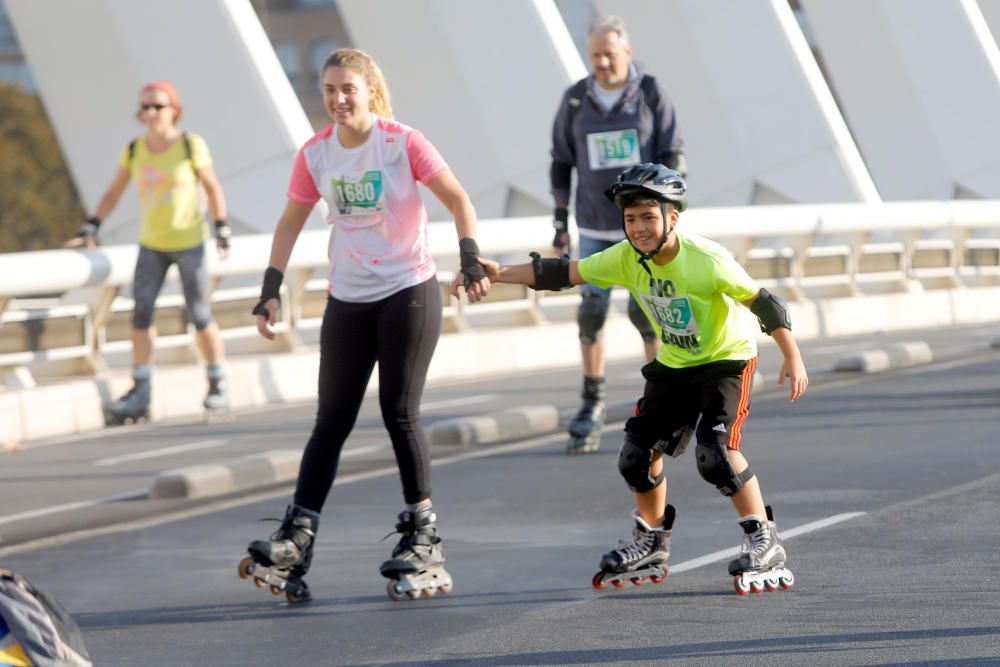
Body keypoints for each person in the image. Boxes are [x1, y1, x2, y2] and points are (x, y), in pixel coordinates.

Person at [452, 163, 808, 594]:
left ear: (672, 218)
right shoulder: (624, 259)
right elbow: (563, 273)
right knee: (636, 455)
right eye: (630, 219)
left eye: (648, 217)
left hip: (725, 361)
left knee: (715, 454)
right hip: (675, 365)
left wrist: (792, 356)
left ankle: (763, 540)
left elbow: (765, 303)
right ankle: (652, 540)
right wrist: (497, 272)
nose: (638, 228)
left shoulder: (707, 260)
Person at [241, 48, 490, 603]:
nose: (337, 99)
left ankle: (424, 536)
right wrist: (270, 289)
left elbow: (458, 200)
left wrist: (469, 257)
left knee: (398, 412)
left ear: (369, 91)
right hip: (347, 298)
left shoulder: (402, 141)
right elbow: (289, 221)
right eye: (329, 90)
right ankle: (297, 538)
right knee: (331, 419)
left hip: (408, 290)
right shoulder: (316, 153)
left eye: (347, 89)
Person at [550, 15, 687, 454]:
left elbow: (673, 155)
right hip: (593, 225)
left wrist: (669, 214)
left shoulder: (649, 94)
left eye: (610, 54)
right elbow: (560, 161)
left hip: (644, 228)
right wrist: (559, 222)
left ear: (627, 53)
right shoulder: (576, 99)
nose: (602, 63)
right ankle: (592, 404)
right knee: (590, 314)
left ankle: (660, 403)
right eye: (595, 56)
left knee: (647, 313)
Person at [65, 81, 232, 424]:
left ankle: (218, 384)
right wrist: (92, 224)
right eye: (145, 107)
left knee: (199, 312)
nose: (151, 113)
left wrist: (222, 229)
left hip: (189, 241)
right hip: (152, 244)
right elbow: (114, 192)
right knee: (141, 314)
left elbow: (212, 187)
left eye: (158, 106)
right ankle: (140, 390)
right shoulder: (134, 149)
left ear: (174, 109)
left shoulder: (189, 145)